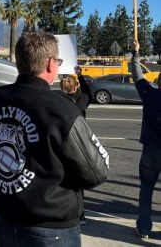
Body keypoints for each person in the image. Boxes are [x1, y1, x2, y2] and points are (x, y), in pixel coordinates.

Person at [0, 32, 109, 247]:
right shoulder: (62, 110)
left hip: (3, 219)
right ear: (50, 64)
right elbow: (97, 171)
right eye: (58, 61)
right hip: (50, 228)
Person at [130, 40, 161, 239]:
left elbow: (137, 74)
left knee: (147, 189)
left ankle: (143, 227)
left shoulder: (149, 94)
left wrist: (135, 54)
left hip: (151, 148)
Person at [59, 66, 93, 225]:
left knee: (62, 179)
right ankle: (80, 216)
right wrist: (80, 76)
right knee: (78, 182)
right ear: (75, 86)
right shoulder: (81, 101)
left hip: (62, 143)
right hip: (79, 143)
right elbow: (88, 93)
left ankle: (64, 212)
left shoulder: (57, 100)